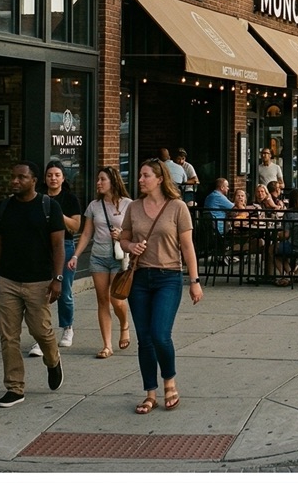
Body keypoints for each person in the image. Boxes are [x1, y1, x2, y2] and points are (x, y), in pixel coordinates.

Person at [119, 158, 202, 414]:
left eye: (145, 175)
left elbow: (187, 246)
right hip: (140, 278)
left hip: (169, 277)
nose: (140, 180)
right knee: (144, 339)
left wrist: (195, 281)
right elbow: (123, 238)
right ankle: (150, 393)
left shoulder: (177, 207)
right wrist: (131, 246)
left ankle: (169, 382)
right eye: (140, 175)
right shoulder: (134, 207)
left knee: (160, 335)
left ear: (159, 178)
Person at [0, 160, 65, 407]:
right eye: (13, 177)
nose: (15, 181)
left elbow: (58, 246)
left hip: (39, 282)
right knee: (9, 337)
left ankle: (53, 361)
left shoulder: (49, 207)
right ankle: (15, 388)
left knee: (41, 332)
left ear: (33, 180)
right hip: (8, 281)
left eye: (21, 177)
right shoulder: (5, 207)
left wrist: (57, 279)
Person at [67, 166, 133, 358]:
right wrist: (76, 255)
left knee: (116, 299)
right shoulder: (94, 206)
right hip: (98, 257)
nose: (98, 183)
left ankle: (124, 324)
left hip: (119, 257)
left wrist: (122, 235)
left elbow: (135, 232)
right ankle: (107, 345)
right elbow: (87, 233)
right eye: (98, 179)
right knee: (102, 300)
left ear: (113, 181)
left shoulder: (128, 204)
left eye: (102, 179)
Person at [36, 160, 82, 352]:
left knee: (64, 290)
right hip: (41, 247)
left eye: (57, 175)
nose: (53, 178)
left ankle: (67, 327)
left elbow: (75, 226)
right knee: (40, 292)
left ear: (63, 178)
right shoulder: (38, 197)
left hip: (65, 246)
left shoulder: (70, 199)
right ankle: (42, 335)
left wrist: (56, 212)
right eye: (49, 175)